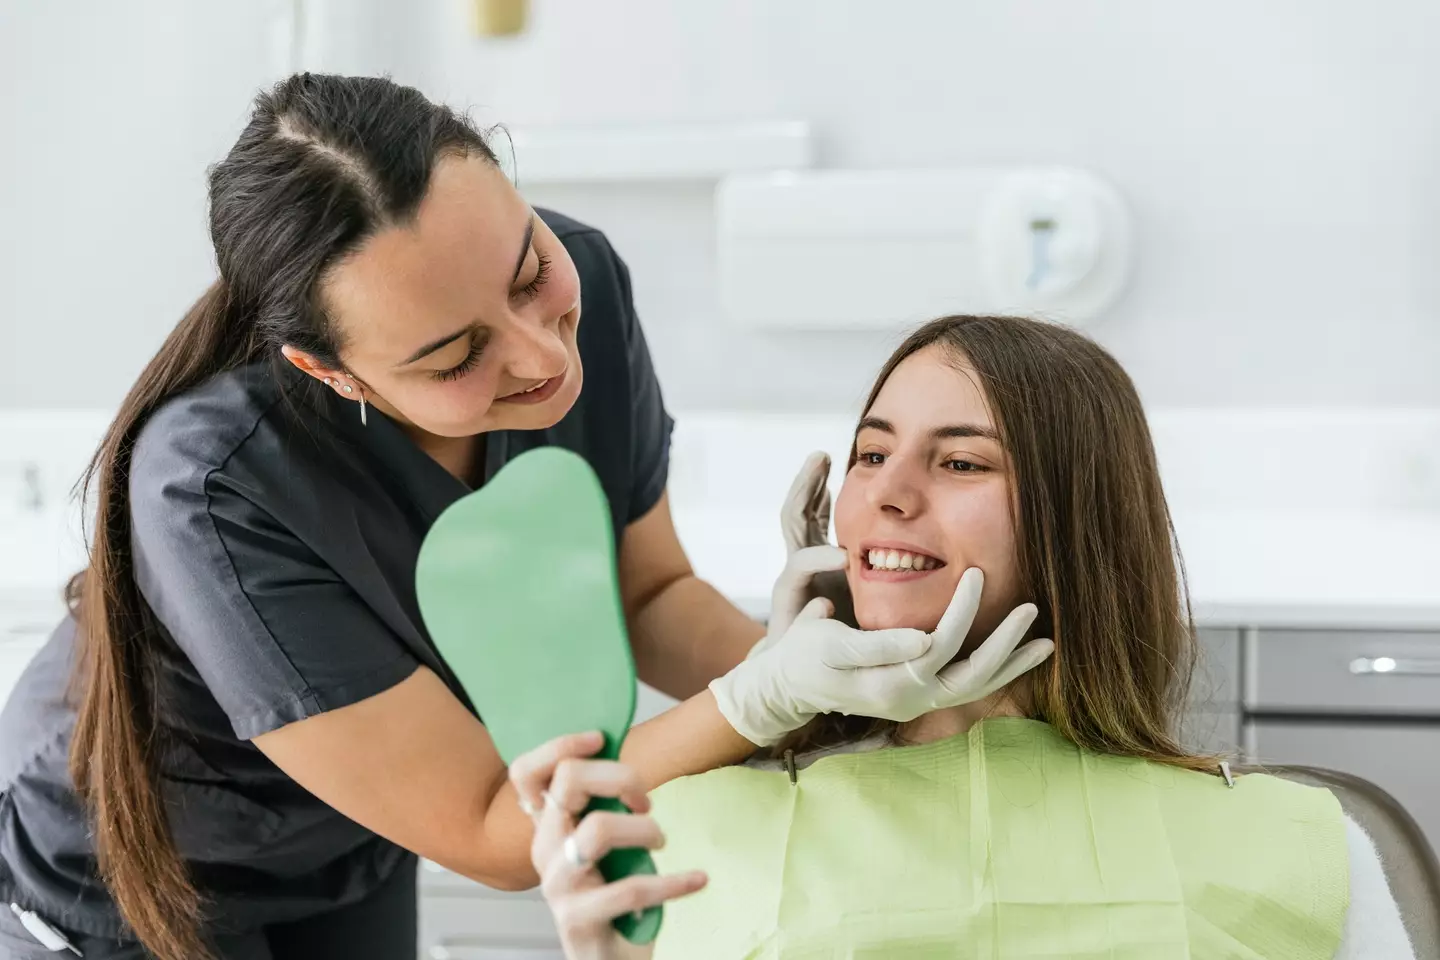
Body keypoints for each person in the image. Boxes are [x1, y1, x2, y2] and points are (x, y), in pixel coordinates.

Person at [0, 79, 1049, 960]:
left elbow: (647, 594)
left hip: (352, 849)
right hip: (131, 874)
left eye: (527, 273)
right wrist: (767, 697)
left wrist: (841, 690)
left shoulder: (586, 273)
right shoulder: (216, 485)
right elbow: (495, 829)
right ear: (328, 370)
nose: (543, 358)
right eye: (456, 358)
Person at [513, 315, 1417, 960]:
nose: (890, 493)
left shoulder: (1303, 845)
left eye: (960, 462)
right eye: (871, 453)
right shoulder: (687, 833)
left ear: (1077, 524)